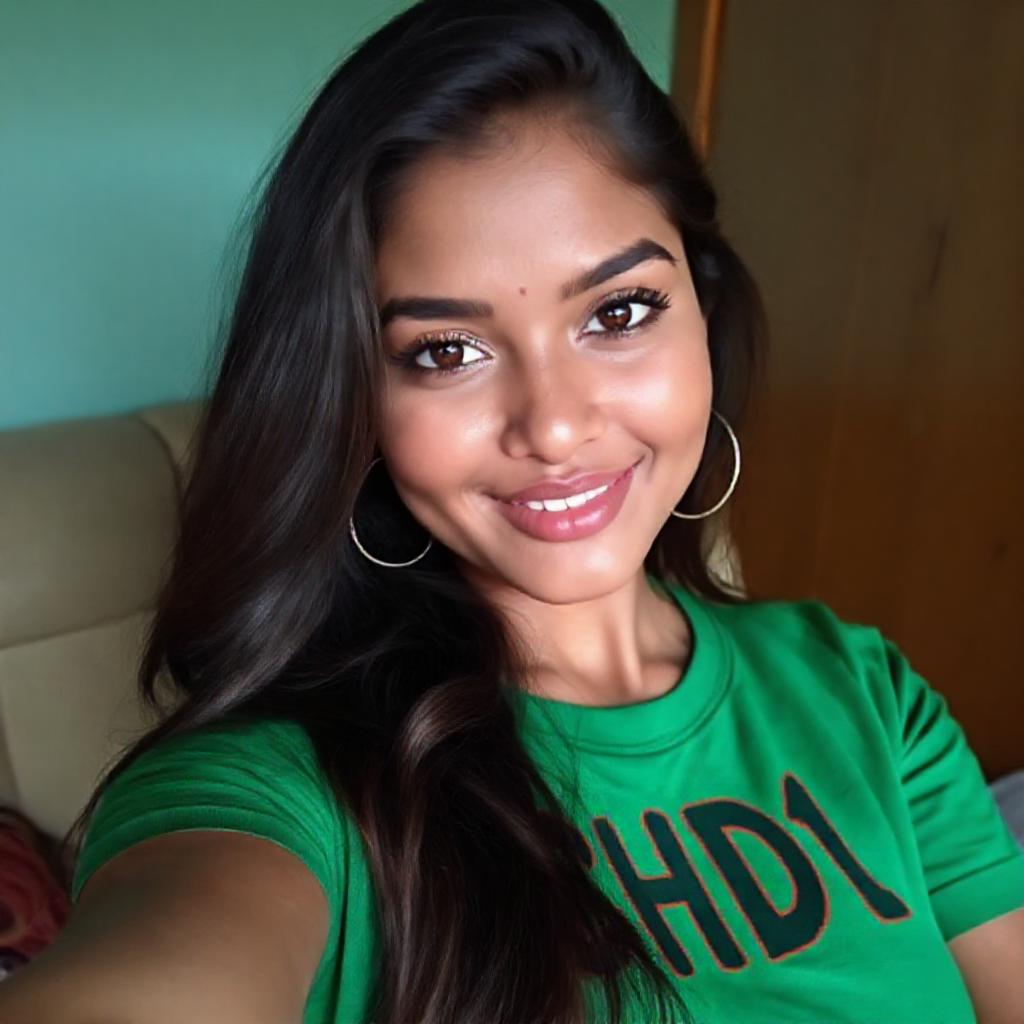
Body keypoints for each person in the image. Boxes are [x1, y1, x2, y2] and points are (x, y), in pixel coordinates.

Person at [3, 0, 1023, 1021]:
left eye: (618, 312)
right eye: (446, 351)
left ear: (702, 315)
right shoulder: (276, 789)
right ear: (356, 400)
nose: (555, 426)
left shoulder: (861, 690)